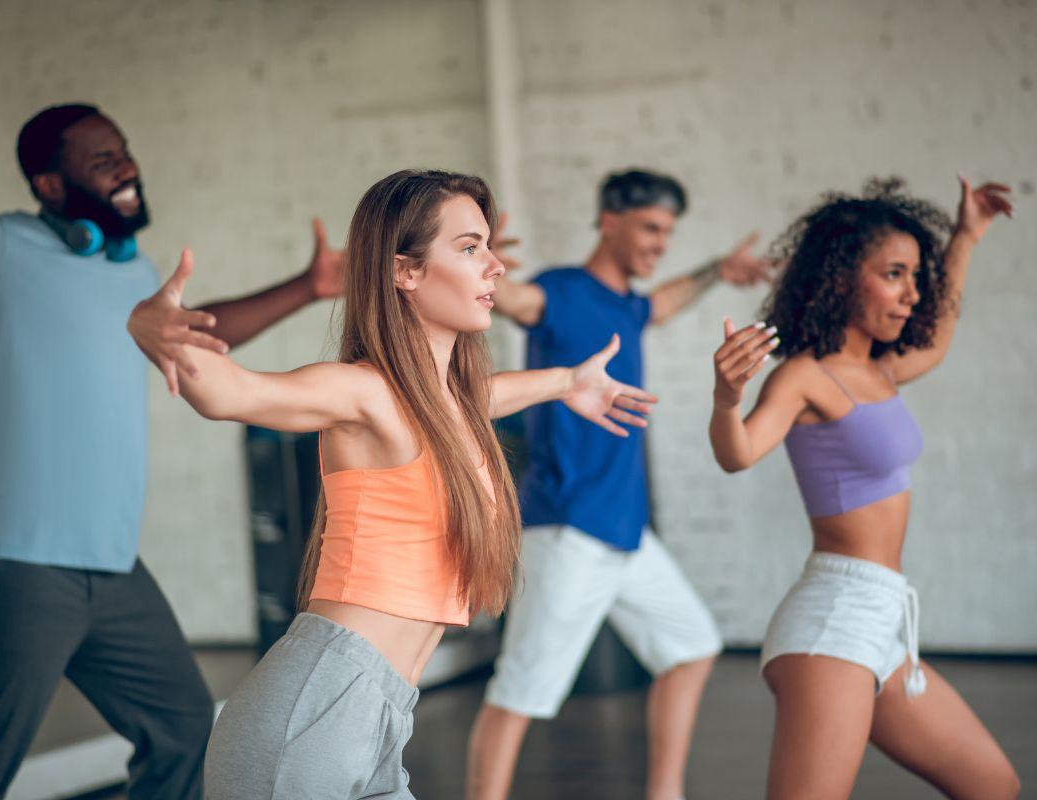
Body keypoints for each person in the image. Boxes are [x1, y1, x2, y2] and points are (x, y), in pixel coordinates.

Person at [0, 102, 344, 799]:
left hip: (109, 566)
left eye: (125, 151)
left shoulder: (132, 272)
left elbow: (200, 330)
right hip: (9, 563)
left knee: (183, 726)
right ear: (50, 186)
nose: (127, 166)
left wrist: (309, 287)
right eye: (104, 160)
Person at [127, 168, 658, 799]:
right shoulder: (362, 391)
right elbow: (230, 392)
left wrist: (568, 381)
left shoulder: (441, 404)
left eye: (488, 246)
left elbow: (483, 397)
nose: (494, 267)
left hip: (380, 714)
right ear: (404, 271)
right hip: (313, 712)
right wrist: (149, 327)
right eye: (469, 248)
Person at [709, 176, 1019, 799]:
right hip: (833, 620)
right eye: (895, 274)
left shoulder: (878, 370)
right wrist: (725, 399)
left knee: (994, 785)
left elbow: (936, 340)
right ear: (844, 277)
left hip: (884, 618)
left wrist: (965, 237)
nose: (911, 294)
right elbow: (738, 453)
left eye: (914, 277)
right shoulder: (804, 376)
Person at [466, 168, 772, 800]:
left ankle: (665, 793)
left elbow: (665, 300)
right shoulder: (560, 292)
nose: (661, 242)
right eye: (651, 227)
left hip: (626, 532)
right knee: (519, 693)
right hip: (570, 529)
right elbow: (512, 300)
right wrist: (478, 262)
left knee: (691, 646)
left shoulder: (629, 306)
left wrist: (719, 267)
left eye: (669, 231)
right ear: (609, 220)